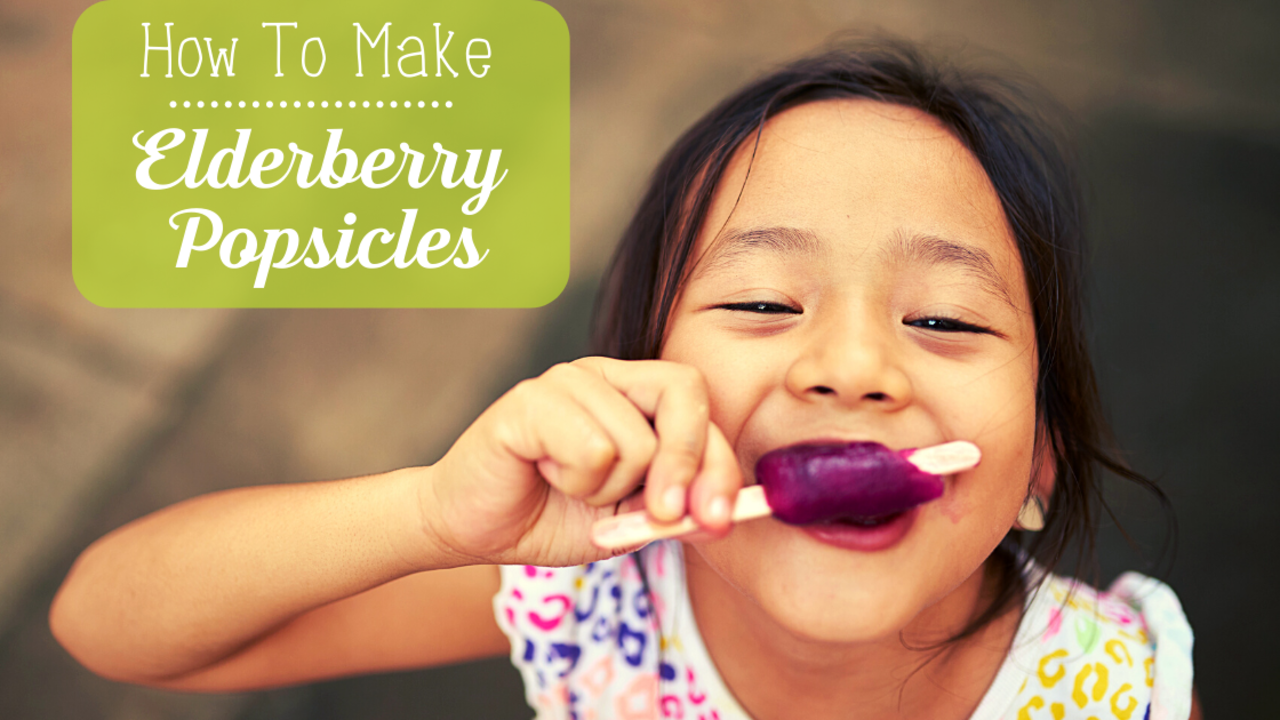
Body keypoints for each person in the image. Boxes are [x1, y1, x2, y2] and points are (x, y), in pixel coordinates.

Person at [49, 40, 1199, 719]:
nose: (852, 369)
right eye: (759, 304)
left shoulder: (1123, 695)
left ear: (1038, 460)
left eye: (943, 319)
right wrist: (429, 516)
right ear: (648, 396)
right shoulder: (598, 588)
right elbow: (111, 627)